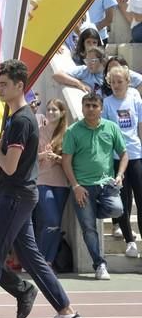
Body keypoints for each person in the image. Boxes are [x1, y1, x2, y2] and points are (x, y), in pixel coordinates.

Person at [0, 60, 84, 318]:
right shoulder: (21, 117)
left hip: (15, 195)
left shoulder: (19, 120)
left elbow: (9, 166)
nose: (0, 89)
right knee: (31, 258)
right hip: (21, 195)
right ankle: (66, 312)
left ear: (20, 85)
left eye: (4, 84)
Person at [62, 91, 126, 280]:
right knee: (89, 228)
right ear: (82, 108)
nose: (90, 109)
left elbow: (124, 154)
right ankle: (100, 265)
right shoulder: (73, 131)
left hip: (107, 185)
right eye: (87, 105)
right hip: (82, 188)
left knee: (117, 210)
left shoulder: (111, 128)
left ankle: (90, 211)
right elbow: (66, 161)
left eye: (94, 105)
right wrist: (75, 186)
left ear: (101, 108)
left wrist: (120, 175)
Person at [102, 65, 142, 258]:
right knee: (124, 201)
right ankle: (130, 241)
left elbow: (140, 124)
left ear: (128, 81)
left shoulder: (135, 96)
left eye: (120, 81)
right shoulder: (107, 102)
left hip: (136, 155)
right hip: (117, 158)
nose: (116, 85)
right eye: (113, 82)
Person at [34, 99, 71, 265]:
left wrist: (58, 159)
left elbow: (72, 158)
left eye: (54, 110)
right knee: (52, 220)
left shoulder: (68, 133)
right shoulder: (38, 131)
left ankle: (47, 261)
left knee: (55, 225)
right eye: (48, 109)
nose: (50, 113)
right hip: (42, 180)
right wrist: (42, 156)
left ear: (62, 112)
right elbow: (28, 157)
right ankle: (39, 260)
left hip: (62, 183)